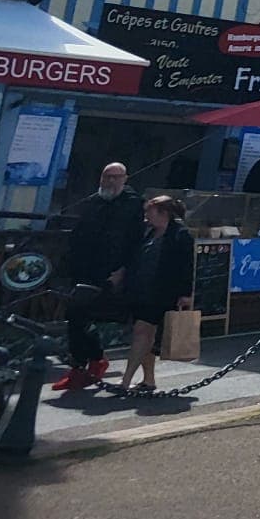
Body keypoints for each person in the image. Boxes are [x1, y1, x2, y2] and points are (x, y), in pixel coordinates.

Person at [56, 161, 146, 390]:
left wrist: (124, 270)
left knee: (87, 315)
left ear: (125, 178)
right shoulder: (93, 202)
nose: (110, 181)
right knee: (77, 315)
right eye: (107, 176)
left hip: (113, 273)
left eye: (116, 177)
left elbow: (138, 242)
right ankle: (87, 364)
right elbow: (79, 236)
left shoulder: (134, 204)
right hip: (85, 270)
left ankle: (90, 363)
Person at [114, 194, 194, 398]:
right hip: (141, 289)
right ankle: (148, 379)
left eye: (150, 212)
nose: (146, 217)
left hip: (162, 291)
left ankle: (125, 381)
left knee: (142, 331)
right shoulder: (150, 233)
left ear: (164, 213)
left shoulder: (180, 234)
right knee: (146, 336)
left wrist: (186, 293)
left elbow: (187, 266)